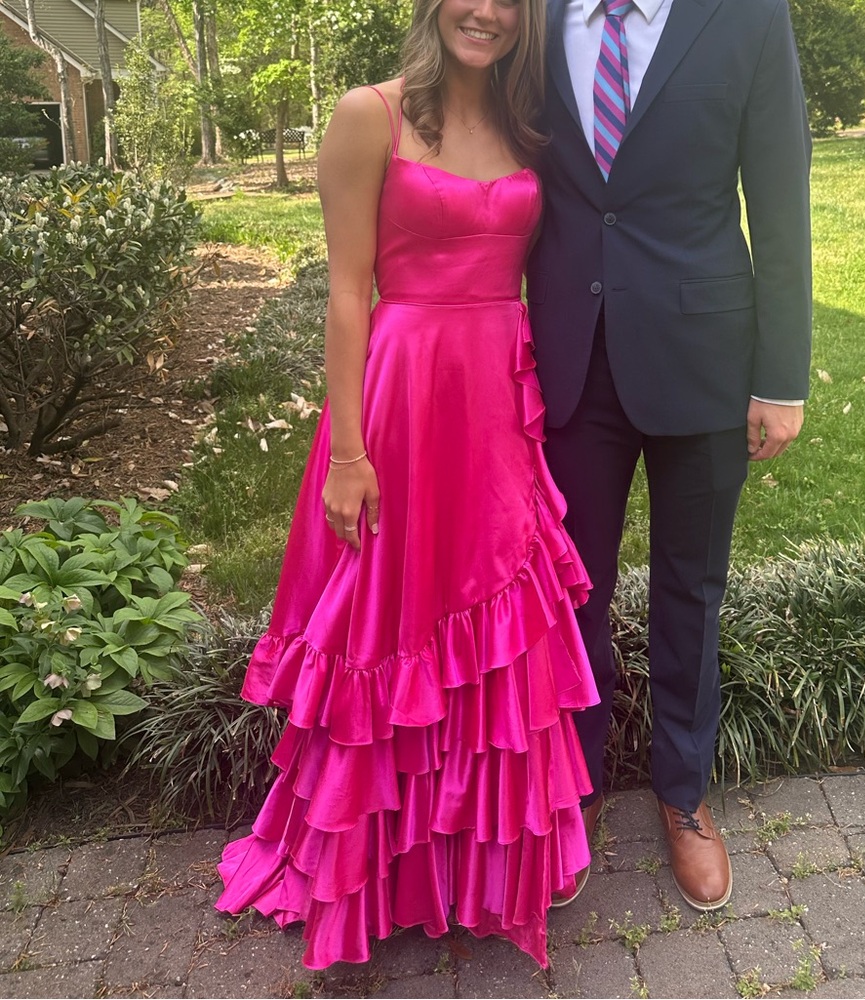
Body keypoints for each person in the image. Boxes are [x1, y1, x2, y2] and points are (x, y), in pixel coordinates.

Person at [215, 0, 599, 969]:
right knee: (390, 624)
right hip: (401, 398)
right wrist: (348, 452)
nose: (488, 11)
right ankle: (372, 867)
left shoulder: (527, 124)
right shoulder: (367, 115)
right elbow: (348, 289)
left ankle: (471, 864)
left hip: (498, 403)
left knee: (493, 627)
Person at [527, 0, 812, 911]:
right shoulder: (534, 16)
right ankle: (570, 789)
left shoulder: (746, 16)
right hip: (572, 357)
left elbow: (779, 191)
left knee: (692, 585)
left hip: (704, 360)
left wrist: (782, 377)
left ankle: (683, 796)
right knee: (577, 589)